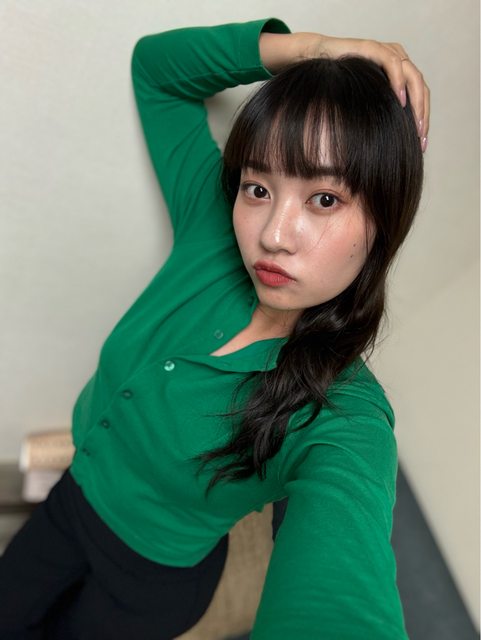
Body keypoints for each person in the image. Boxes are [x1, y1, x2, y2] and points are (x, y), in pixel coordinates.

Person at [0, 16, 429, 640]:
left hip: (151, 579)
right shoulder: (213, 227)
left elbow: (339, 580)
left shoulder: (340, 413)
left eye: (324, 199)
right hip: (71, 498)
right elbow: (156, 71)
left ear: (384, 221)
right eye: (258, 187)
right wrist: (316, 51)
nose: (273, 235)